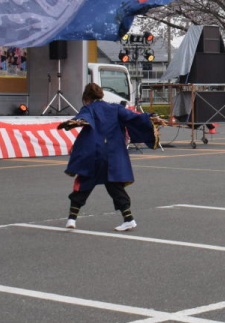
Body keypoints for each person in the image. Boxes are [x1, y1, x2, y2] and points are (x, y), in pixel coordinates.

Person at [58, 83, 159, 231]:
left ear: (86, 97)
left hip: (95, 154)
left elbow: (84, 117)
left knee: (84, 184)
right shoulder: (116, 108)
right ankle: (128, 219)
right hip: (114, 154)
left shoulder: (88, 109)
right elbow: (134, 117)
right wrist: (151, 117)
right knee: (115, 187)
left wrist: (76, 122)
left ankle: (72, 219)